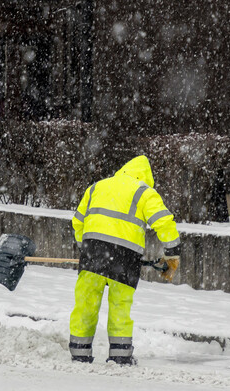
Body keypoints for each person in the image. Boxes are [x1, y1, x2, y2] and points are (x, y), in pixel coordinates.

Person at [69, 155, 181, 365]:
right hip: (125, 258)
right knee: (120, 307)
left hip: (92, 253)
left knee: (85, 303)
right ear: (146, 176)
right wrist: (172, 252)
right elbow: (163, 222)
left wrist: (84, 247)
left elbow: (77, 222)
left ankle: (79, 353)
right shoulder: (144, 191)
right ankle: (120, 356)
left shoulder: (97, 187)